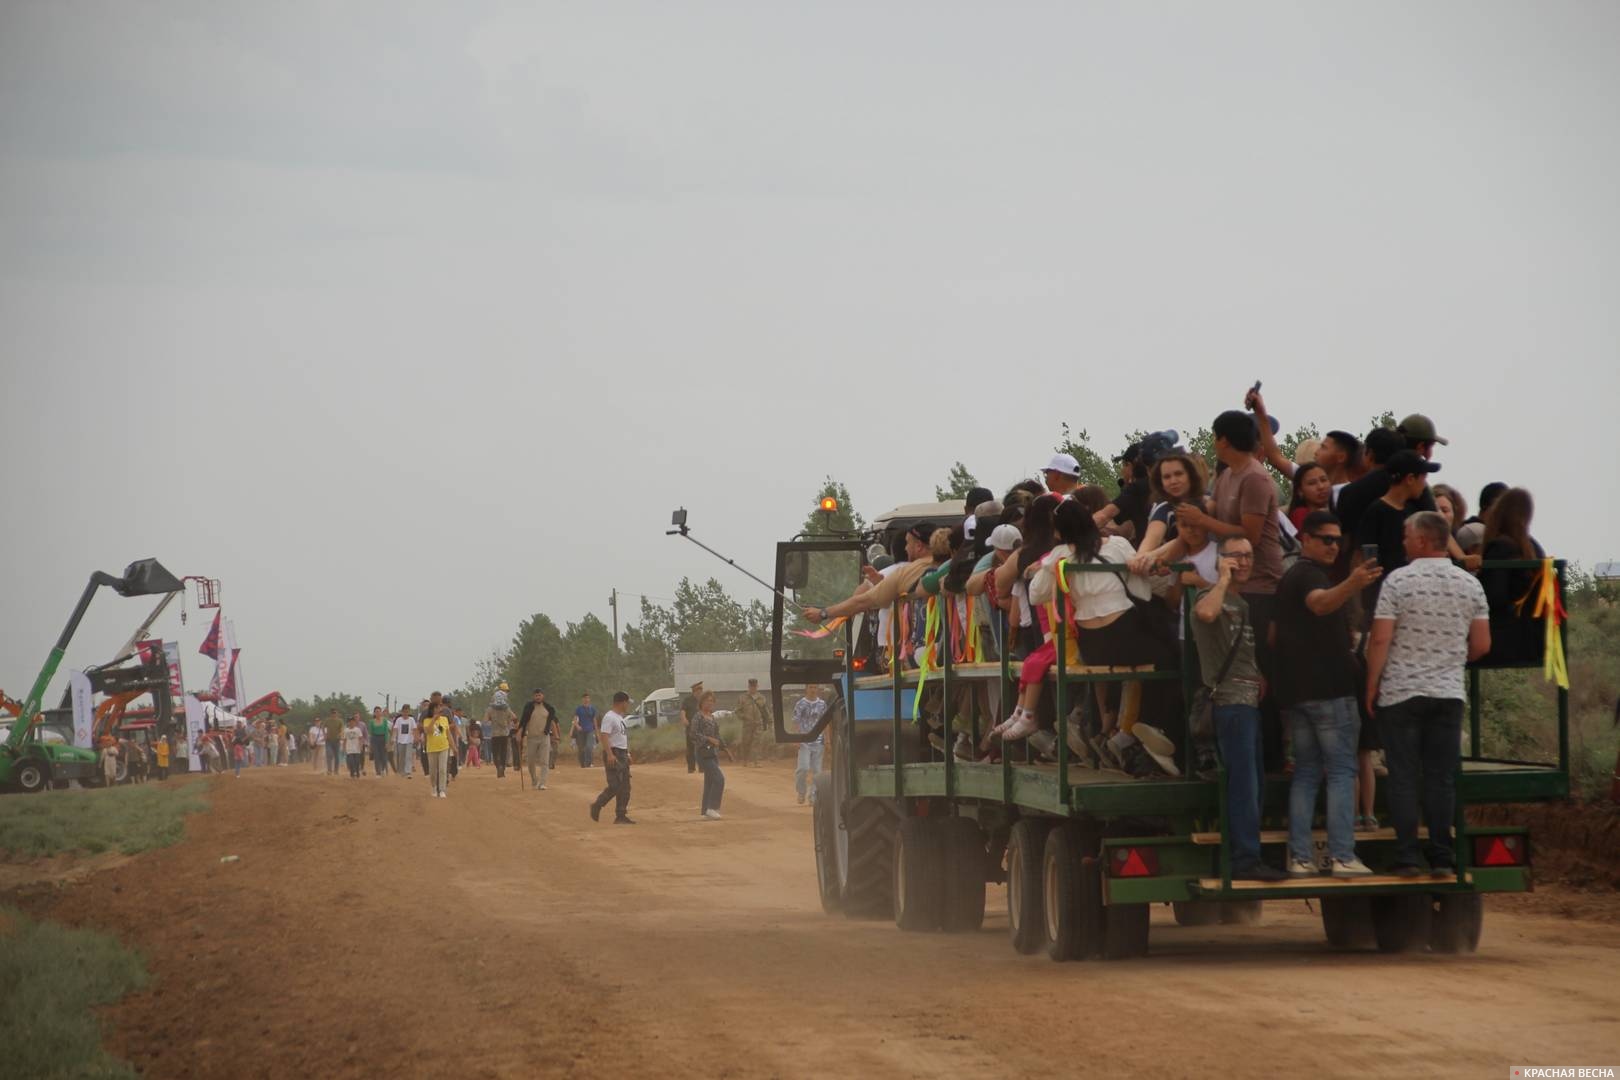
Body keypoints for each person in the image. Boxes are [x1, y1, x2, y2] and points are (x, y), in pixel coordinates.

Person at [1365, 512, 1490, 876]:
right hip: (1448, 693)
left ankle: (1406, 857)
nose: (1402, 542)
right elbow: (1482, 645)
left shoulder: (1398, 581)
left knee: (1403, 776)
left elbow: (1381, 637)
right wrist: (1450, 660)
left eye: (1406, 535)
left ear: (1421, 540)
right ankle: (1441, 856)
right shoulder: (1470, 585)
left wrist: (1372, 683)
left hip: (1401, 693)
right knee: (1440, 777)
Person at [1274, 511, 1382, 877]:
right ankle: (1341, 855)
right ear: (1305, 539)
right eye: (1325, 539)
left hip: (1300, 693)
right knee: (1339, 772)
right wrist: (1353, 583)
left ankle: (1301, 857)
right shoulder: (1307, 576)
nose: (1333, 546)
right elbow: (1320, 603)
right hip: (1329, 693)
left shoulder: (1293, 576)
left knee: (1306, 773)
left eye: (1337, 540)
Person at [1180, 410, 1286, 769]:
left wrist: (1201, 520)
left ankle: (1269, 756)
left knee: (1259, 670)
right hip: (1234, 583)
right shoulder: (1227, 477)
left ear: (1224, 440)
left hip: (1261, 583)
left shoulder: (1256, 478)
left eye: (1214, 437)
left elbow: (1249, 536)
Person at [1191, 537, 1287, 881]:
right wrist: (1223, 579)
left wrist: (1258, 674)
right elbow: (1205, 614)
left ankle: (1248, 853)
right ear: (1221, 561)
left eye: (1248, 556)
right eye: (1236, 556)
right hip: (1230, 705)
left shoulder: (1242, 604)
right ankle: (1245, 859)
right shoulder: (1210, 596)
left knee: (1254, 781)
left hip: (1249, 704)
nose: (1244, 562)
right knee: (1243, 783)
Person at [1354, 449, 1442, 616]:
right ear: (1410, 479)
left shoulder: (1413, 512)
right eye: (1423, 477)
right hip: (1382, 602)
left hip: (1412, 600)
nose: (1424, 484)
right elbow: (1367, 560)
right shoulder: (1376, 512)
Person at [1478, 487, 1547, 666]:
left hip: (1503, 640)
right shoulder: (1535, 548)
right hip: (1536, 639)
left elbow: (1493, 596)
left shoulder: (1499, 547)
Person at [590, 692, 635, 824]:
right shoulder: (609, 717)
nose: (628, 705)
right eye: (627, 702)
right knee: (615, 785)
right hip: (614, 753)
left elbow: (620, 738)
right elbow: (604, 735)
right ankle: (598, 804)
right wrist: (609, 754)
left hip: (621, 753)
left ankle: (621, 815)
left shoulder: (619, 718)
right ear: (621, 702)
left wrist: (627, 754)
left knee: (625, 786)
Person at [691, 692, 726, 820]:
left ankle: (705, 811)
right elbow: (693, 734)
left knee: (710, 782)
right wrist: (708, 739)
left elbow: (717, 735)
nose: (710, 703)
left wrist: (723, 746)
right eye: (707, 700)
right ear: (701, 702)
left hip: (713, 752)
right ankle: (712, 808)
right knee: (719, 779)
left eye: (712, 701)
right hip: (703, 753)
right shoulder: (698, 717)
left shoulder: (712, 717)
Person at [792, 684, 828, 805]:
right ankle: (801, 791)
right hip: (804, 741)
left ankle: (813, 796)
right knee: (803, 768)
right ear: (806, 689)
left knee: (817, 771)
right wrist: (797, 738)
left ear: (817, 689)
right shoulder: (800, 704)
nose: (813, 690)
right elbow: (796, 721)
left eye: (815, 687)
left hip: (818, 741)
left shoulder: (822, 704)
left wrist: (827, 739)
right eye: (810, 687)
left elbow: (826, 723)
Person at [519, 689, 558, 791]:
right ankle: (534, 780)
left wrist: (555, 734)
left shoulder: (549, 708)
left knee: (544, 761)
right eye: (536, 695)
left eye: (539, 695)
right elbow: (523, 721)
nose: (538, 697)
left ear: (543, 696)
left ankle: (542, 783)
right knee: (530, 761)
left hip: (544, 737)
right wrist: (520, 733)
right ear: (533, 697)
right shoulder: (529, 707)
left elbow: (552, 721)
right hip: (531, 738)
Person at [734, 679, 771, 768]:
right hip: (747, 724)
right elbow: (737, 711)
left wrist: (769, 721)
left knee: (757, 742)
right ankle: (745, 760)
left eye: (755, 686)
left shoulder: (761, 698)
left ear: (757, 686)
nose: (753, 688)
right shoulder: (743, 698)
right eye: (751, 686)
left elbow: (765, 711)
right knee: (746, 742)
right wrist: (744, 717)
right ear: (749, 687)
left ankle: (756, 761)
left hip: (758, 724)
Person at [1286, 462, 1333, 532]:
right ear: (1300, 491)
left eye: (1324, 480)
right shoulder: (1300, 515)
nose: (1321, 487)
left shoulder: (1338, 509)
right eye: (1312, 483)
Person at [483, 688, 516, 779]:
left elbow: (485, 721)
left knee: (495, 752)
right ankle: (503, 769)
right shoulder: (507, 709)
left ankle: (498, 767)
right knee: (503, 752)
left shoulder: (490, 709)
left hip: (494, 734)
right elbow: (514, 717)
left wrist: (492, 719)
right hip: (505, 734)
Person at [423, 704, 454, 798]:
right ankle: (433, 787)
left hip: (444, 747)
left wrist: (454, 747)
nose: (439, 710)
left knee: (442, 769)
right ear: (432, 710)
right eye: (436, 708)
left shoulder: (444, 719)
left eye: (439, 708)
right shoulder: (426, 720)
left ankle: (442, 790)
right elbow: (428, 731)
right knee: (432, 770)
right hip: (432, 748)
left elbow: (448, 734)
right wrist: (434, 719)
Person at [679, 681, 704, 776]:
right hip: (691, 728)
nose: (700, 692)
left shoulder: (703, 700)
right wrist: (684, 719)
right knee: (690, 748)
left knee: (702, 748)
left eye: (701, 690)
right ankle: (691, 768)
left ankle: (702, 767)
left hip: (701, 728)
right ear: (694, 691)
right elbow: (682, 711)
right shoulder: (687, 700)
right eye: (698, 690)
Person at [571, 693, 597, 768]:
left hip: (590, 730)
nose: (586, 699)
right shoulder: (579, 709)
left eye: (588, 698)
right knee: (581, 749)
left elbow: (594, 720)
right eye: (585, 698)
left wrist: (596, 732)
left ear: (589, 699)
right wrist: (577, 726)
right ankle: (582, 764)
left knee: (589, 747)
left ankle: (588, 763)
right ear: (582, 699)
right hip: (581, 731)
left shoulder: (592, 709)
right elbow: (575, 719)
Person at [367, 706, 391, 777]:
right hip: (375, 739)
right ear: (374, 713)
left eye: (379, 711)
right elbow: (370, 733)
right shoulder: (371, 722)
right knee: (376, 756)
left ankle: (383, 769)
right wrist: (370, 743)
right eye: (376, 711)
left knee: (383, 756)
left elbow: (386, 732)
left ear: (381, 712)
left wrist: (387, 742)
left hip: (383, 738)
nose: (378, 713)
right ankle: (378, 772)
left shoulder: (384, 720)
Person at [393, 706, 415, 777]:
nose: (405, 713)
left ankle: (408, 771)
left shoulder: (411, 720)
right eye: (404, 711)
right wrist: (393, 738)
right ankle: (401, 771)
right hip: (400, 741)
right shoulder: (399, 720)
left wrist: (416, 737)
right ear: (402, 712)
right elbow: (395, 729)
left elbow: (414, 728)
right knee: (401, 757)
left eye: (407, 711)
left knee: (408, 756)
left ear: (409, 712)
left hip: (409, 741)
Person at [323, 709, 344, 776]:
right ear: (331, 714)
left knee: (337, 756)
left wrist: (340, 734)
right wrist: (325, 734)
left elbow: (342, 729)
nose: (334, 714)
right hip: (328, 740)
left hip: (337, 740)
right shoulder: (327, 720)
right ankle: (329, 770)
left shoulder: (340, 721)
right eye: (332, 713)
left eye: (335, 713)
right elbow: (323, 727)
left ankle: (336, 770)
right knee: (329, 754)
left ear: (337, 714)